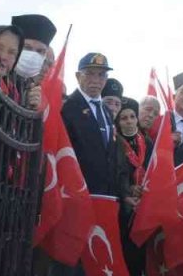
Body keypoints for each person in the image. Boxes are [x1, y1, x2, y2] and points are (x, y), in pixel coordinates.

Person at [55, 53, 124, 276]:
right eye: (90, 74)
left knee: (94, 259)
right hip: (76, 197)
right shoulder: (69, 108)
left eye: (101, 75)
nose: (96, 80)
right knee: (71, 259)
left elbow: (110, 156)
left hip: (103, 199)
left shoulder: (105, 110)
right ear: (78, 76)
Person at [113, 98, 146, 276]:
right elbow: (114, 172)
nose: (129, 121)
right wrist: (128, 190)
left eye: (132, 116)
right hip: (123, 205)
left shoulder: (146, 140)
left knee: (140, 256)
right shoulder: (114, 142)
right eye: (123, 118)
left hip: (144, 203)